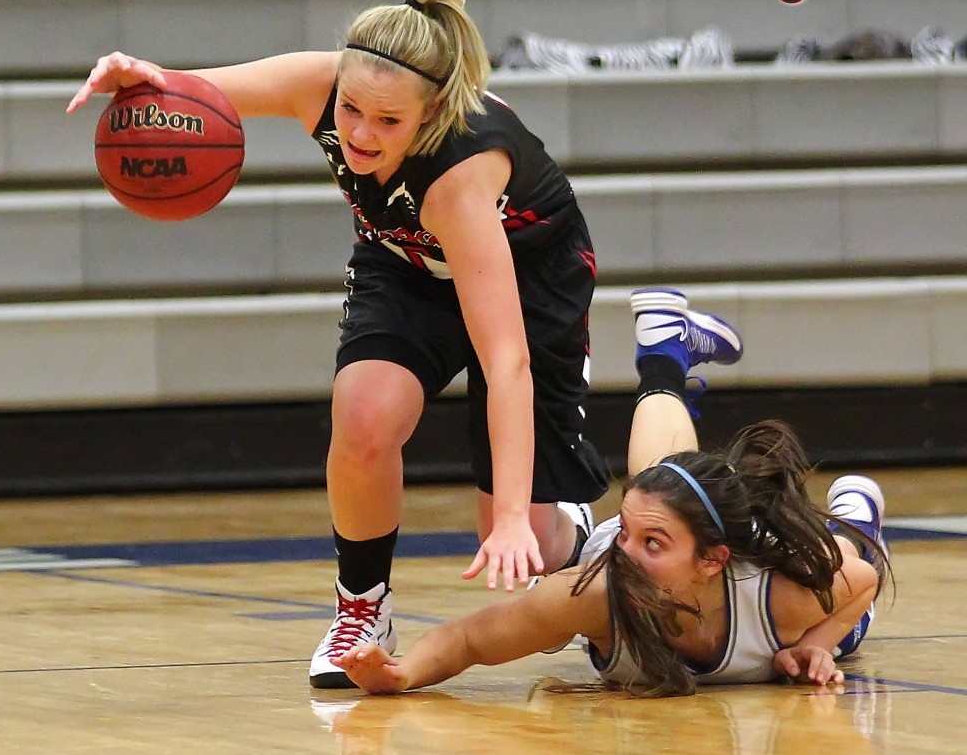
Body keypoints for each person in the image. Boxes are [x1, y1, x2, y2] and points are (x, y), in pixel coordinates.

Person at [66, 0, 608, 689]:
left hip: (526, 277)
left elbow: (505, 357)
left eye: (389, 121)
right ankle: (361, 607)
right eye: (351, 108)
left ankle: (576, 533)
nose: (359, 133)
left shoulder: (458, 175)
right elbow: (196, 96)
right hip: (405, 262)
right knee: (362, 416)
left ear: (430, 114)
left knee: (525, 552)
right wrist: (137, 76)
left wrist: (513, 514)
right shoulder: (322, 85)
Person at [330, 288, 891, 696]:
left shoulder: (778, 595)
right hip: (681, 520)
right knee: (660, 479)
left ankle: (854, 517)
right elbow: (474, 639)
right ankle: (664, 355)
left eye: (651, 544)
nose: (626, 552)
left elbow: (863, 582)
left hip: (790, 568)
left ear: (712, 562)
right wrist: (401, 673)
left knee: (848, 594)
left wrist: (819, 641)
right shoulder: (592, 592)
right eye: (625, 532)